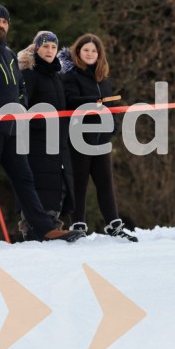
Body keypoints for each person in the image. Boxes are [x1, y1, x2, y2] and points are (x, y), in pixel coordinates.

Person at [0, 4, 83, 243]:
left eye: (5, 22)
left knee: (25, 178)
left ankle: (44, 228)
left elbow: (20, 86)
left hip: (12, 127)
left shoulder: (8, 54)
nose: (1, 25)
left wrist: (21, 106)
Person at [62, 33, 136, 241]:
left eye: (94, 51)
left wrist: (114, 126)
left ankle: (113, 225)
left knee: (105, 183)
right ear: (78, 52)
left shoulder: (104, 79)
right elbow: (71, 101)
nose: (90, 53)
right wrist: (96, 101)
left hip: (101, 139)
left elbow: (110, 107)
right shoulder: (71, 76)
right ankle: (77, 224)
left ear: (99, 54)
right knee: (79, 183)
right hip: (79, 137)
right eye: (86, 50)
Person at [16, 31, 75, 239]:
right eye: (45, 46)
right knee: (40, 182)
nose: (50, 51)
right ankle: (34, 228)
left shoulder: (57, 76)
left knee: (58, 183)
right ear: (36, 49)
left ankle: (52, 224)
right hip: (36, 141)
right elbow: (22, 108)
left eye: (53, 47)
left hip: (57, 140)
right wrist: (43, 121)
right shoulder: (29, 74)